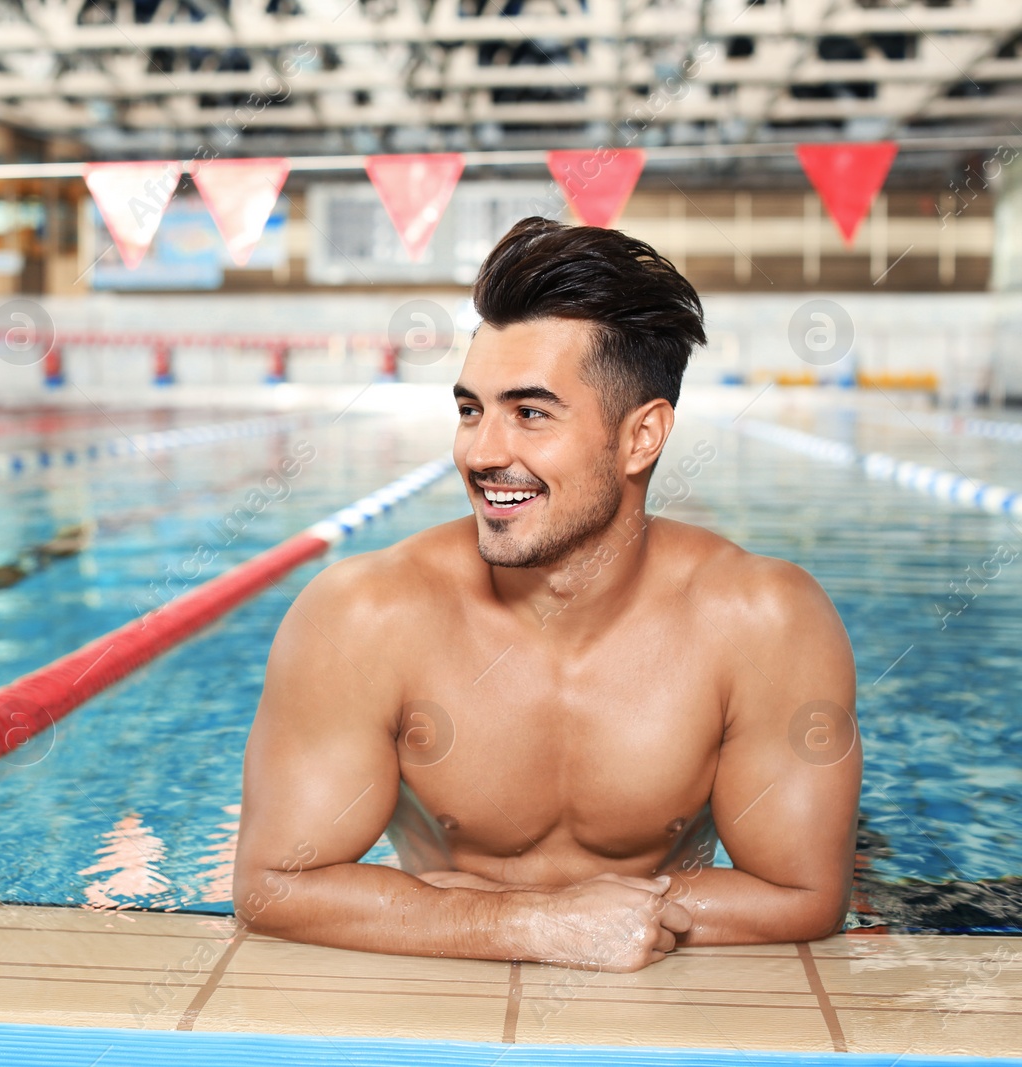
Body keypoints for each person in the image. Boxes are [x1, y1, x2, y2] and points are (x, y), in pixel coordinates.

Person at [234, 217, 861, 972]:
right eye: (472, 409)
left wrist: (508, 911)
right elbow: (272, 885)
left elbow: (803, 891)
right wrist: (533, 922)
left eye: (530, 413)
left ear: (641, 437)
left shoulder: (764, 619)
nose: (482, 452)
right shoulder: (366, 615)